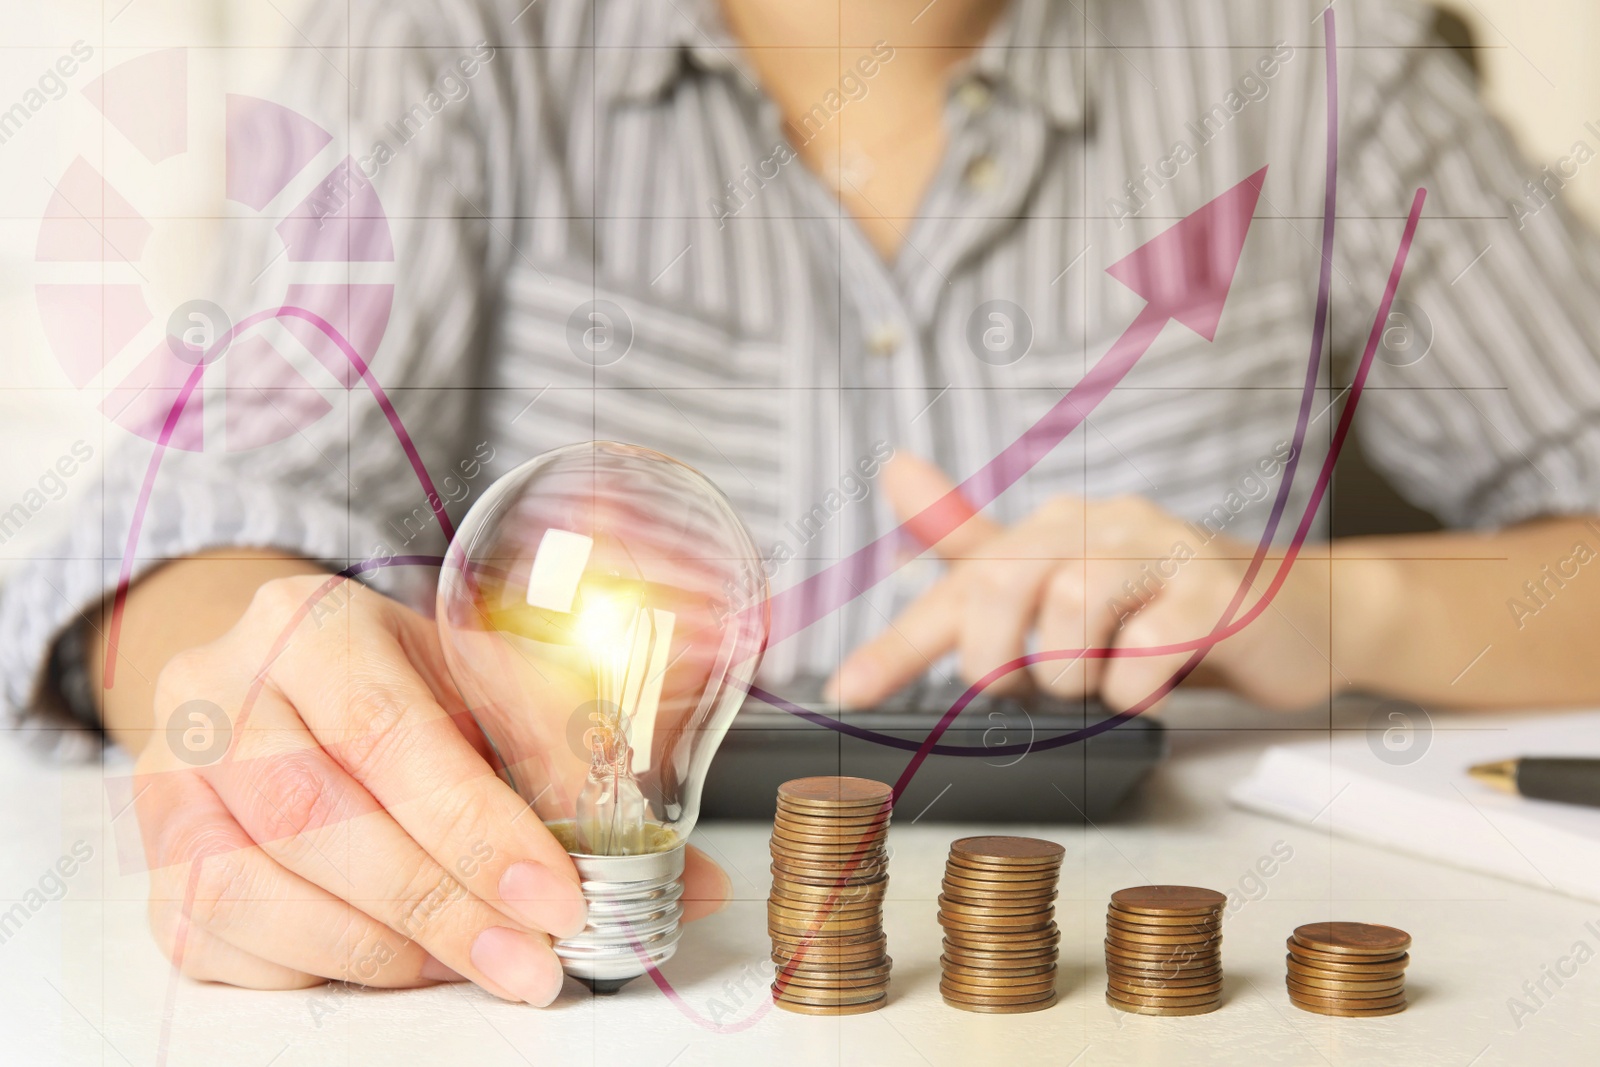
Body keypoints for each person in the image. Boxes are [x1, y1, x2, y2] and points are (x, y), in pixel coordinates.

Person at [3, 0, 1599, 1006]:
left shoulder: (1324, 52)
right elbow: (173, 523)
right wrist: (248, 668)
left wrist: (1308, 601)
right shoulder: (451, 37)